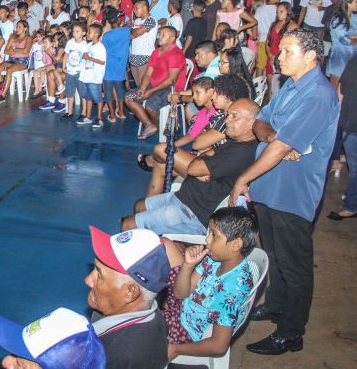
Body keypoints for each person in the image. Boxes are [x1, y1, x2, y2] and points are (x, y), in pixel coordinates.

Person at [230, 29, 338, 356]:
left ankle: (291, 333)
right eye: (281, 50)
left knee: (295, 266)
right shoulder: (291, 84)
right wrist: (275, 136)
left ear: (311, 57)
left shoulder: (318, 95)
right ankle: (276, 304)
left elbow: (278, 148)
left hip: (292, 193)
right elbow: (260, 122)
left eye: (289, 51)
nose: (280, 56)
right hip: (269, 186)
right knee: (274, 254)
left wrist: (243, 177)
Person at [0, 226, 170, 369]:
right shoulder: (139, 313)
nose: (88, 280)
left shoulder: (122, 355)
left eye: (99, 275)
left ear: (130, 293)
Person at [123, 98, 260, 234]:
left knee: (127, 225)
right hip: (186, 195)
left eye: (234, 116)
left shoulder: (243, 152)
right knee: (139, 206)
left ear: (251, 123)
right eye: (228, 115)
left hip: (194, 212)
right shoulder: (237, 140)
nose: (227, 120)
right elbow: (204, 156)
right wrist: (204, 159)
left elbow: (193, 168)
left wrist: (204, 159)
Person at [164, 208, 259, 362]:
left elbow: (219, 345)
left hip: (188, 333)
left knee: (137, 335)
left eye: (214, 235)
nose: (207, 240)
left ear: (235, 245)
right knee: (165, 244)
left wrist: (175, 349)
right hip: (185, 308)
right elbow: (180, 294)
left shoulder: (231, 289)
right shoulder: (215, 259)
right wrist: (188, 266)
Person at [125, 27, 187, 140]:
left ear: (172, 38)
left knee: (150, 106)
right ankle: (150, 125)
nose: (160, 37)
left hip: (171, 88)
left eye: (164, 35)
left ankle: (163, 126)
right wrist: (142, 88)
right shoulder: (156, 52)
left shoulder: (176, 54)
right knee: (129, 97)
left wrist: (150, 91)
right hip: (154, 85)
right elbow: (148, 74)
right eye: (160, 34)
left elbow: (171, 80)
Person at [328, 54, 357, 220]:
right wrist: (337, 115)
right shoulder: (354, 60)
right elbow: (341, 87)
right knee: (354, 168)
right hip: (349, 123)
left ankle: (351, 206)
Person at [101, 9, 130, 121]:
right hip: (120, 66)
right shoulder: (126, 31)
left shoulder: (107, 35)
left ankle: (112, 115)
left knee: (108, 91)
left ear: (109, 22)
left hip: (108, 66)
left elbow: (103, 50)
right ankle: (121, 112)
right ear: (119, 20)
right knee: (120, 89)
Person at [327, 0, 357, 88]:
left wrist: (352, 37)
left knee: (349, 88)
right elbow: (345, 40)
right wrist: (353, 37)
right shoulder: (337, 19)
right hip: (340, 56)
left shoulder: (354, 17)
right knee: (336, 87)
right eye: (356, 2)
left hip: (354, 56)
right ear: (348, 3)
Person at [78, 24, 106, 127]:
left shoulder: (100, 47)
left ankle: (99, 118)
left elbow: (102, 61)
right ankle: (88, 117)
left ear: (96, 34)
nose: (87, 34)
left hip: (95, 78)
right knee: (88, 97)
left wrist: (89, 58)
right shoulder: (89, 45)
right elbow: (85, 57)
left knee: (98, 99)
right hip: (87, 76)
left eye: (89, 32)